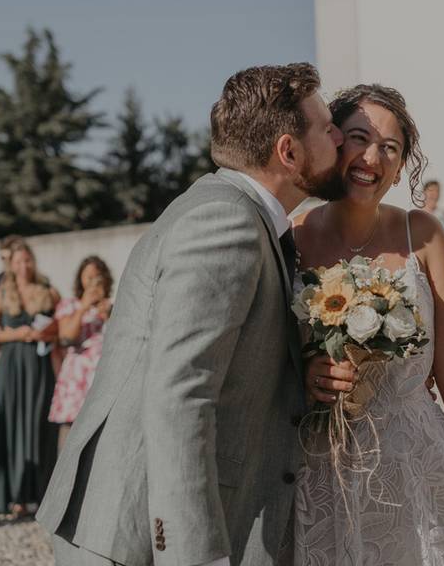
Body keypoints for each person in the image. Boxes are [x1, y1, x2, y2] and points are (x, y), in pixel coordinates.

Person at [37, 63, 345, 566]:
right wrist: (195, 554)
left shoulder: (238, 214)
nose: (338, 136)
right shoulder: (226, 222)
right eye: (327, 127)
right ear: (288, 152)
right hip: (136, 535)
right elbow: (179, 392)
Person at [298, 84, 444, 564]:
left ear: (398, 171)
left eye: (389, 149)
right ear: (333, 143)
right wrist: (305, 371)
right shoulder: (292, 237)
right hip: (322, 465)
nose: (371, 157)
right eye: (359, 138)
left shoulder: (425, 236)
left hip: (420, 469)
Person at [0, 242, 60, 515]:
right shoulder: (0, 293)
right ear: (11, 265)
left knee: (40, 425)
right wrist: (18, 334)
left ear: (33, 262)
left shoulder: (48, 291)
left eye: (27, 260)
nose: (23, 266)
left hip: (39, 367)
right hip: (12, 367)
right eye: (18, 262)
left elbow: (62, 328)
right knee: (12, 425)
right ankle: (14, 495)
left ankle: (42, 493)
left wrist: (45, 334)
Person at [48, 257, 113, 450]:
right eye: (88, 277)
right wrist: (84, 307)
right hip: (77, 381)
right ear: (80, 280)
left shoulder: (114, 305)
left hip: (103, 375)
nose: (93, 282)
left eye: (97, 277)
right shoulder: (70, 305)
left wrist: (108, 314)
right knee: (70, 438)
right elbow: (66, 338)